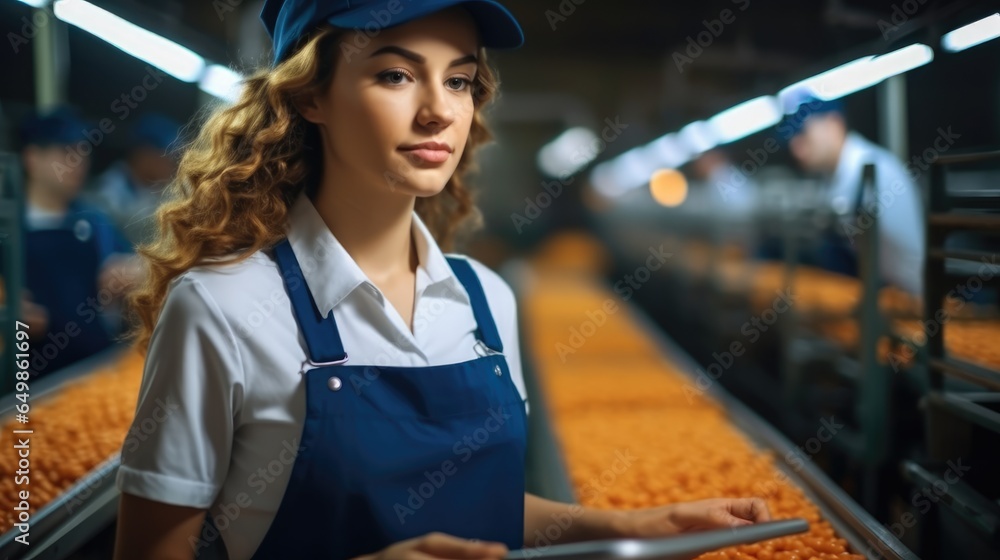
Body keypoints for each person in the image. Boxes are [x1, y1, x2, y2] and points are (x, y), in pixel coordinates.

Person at [112, 2, 772, 559]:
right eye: (397, 74)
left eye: (458, 81)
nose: (438, 112)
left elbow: (480, 506)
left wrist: (625, 527)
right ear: (310, 93)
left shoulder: (485, 299)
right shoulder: (222, 307)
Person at [19, 106, 140, 377]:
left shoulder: (96, 223)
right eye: (65, 152)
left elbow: (138, 267)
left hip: (96, 371)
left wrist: (135, 270)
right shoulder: (9, 228)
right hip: (27, 385)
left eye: (83, 151)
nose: (79, 162)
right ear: (32, 158)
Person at [780, 97, 924, 295]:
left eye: (803, 134)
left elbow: (904, 260)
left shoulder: (876, 169)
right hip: (873, 294)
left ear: (834, 123)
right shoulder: (830, 176)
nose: (795, 149)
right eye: (791, 140)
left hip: (906, 297)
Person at [88, 112, 180, 247]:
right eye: (167, 156)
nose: (173, 164)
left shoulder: (162, 188)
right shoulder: (107, 193)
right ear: (143, 155)